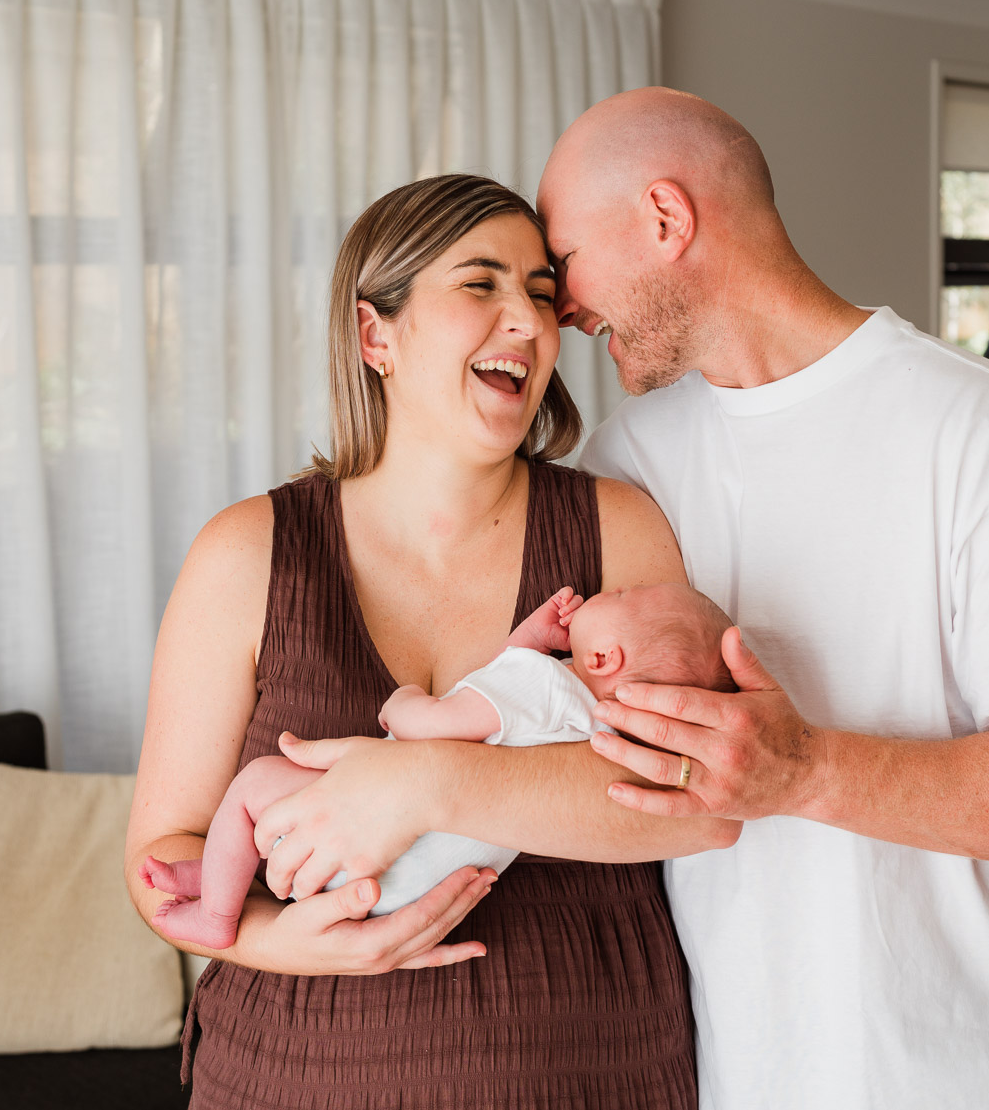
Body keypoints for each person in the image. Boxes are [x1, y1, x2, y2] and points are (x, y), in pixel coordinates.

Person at [539, 86, 989, 1108]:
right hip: (709, 1070)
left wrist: (806, 772)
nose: (561, 308)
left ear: (666, 219)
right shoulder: (623, 465)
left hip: (939, 1076)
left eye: (564, 260)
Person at [123, 173, 733, 1109]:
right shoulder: (247, 553)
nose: (529, 322)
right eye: (481, 284)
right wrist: (282, 941)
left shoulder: (619, 530)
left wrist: (427, 783)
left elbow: (698, 799)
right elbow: (160, 854)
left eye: (539, 292)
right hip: (291, 1070)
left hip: (587, 1062)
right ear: (376, 335)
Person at [138, 580, 733, 944]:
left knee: (258, 785)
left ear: (603, 655)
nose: (612, 590)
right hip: (418, 884)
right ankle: (213, 876)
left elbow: (440, 724)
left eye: (623, 597)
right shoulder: (588, 719)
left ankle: (218, 911)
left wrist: (402, 706)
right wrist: (528, 639)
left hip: (372, 848)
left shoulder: (544, 684)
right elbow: (506, 715)